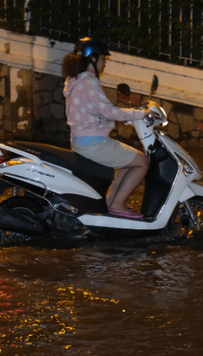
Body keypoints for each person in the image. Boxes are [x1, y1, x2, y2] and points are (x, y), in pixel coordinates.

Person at [62, 37, 156, 219]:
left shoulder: (74, 81)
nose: (105, 63)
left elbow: (93, 111)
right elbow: (108, 112)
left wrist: (127, 116)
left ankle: (110, 202)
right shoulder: (89, 82)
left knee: (128, 160)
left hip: (83, 140)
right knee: (143, 162)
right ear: (93, 59)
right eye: (104, 59)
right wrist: (142, 113)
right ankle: (118, 205)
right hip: (93, 142)